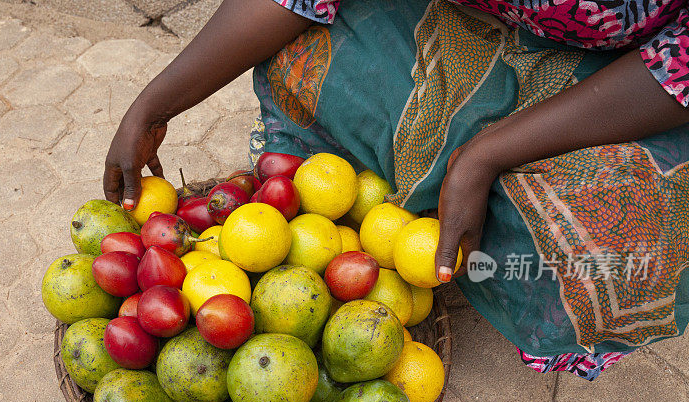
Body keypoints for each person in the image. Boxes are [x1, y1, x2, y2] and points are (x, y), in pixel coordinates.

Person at [104, 0, 689, 380]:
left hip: (624, 83)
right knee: (300, 57)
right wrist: (155, 105)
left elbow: (678, 64)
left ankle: (451, 228)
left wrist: (484, 155)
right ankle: (399, 217)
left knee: (615, 228)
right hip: (461, 21)